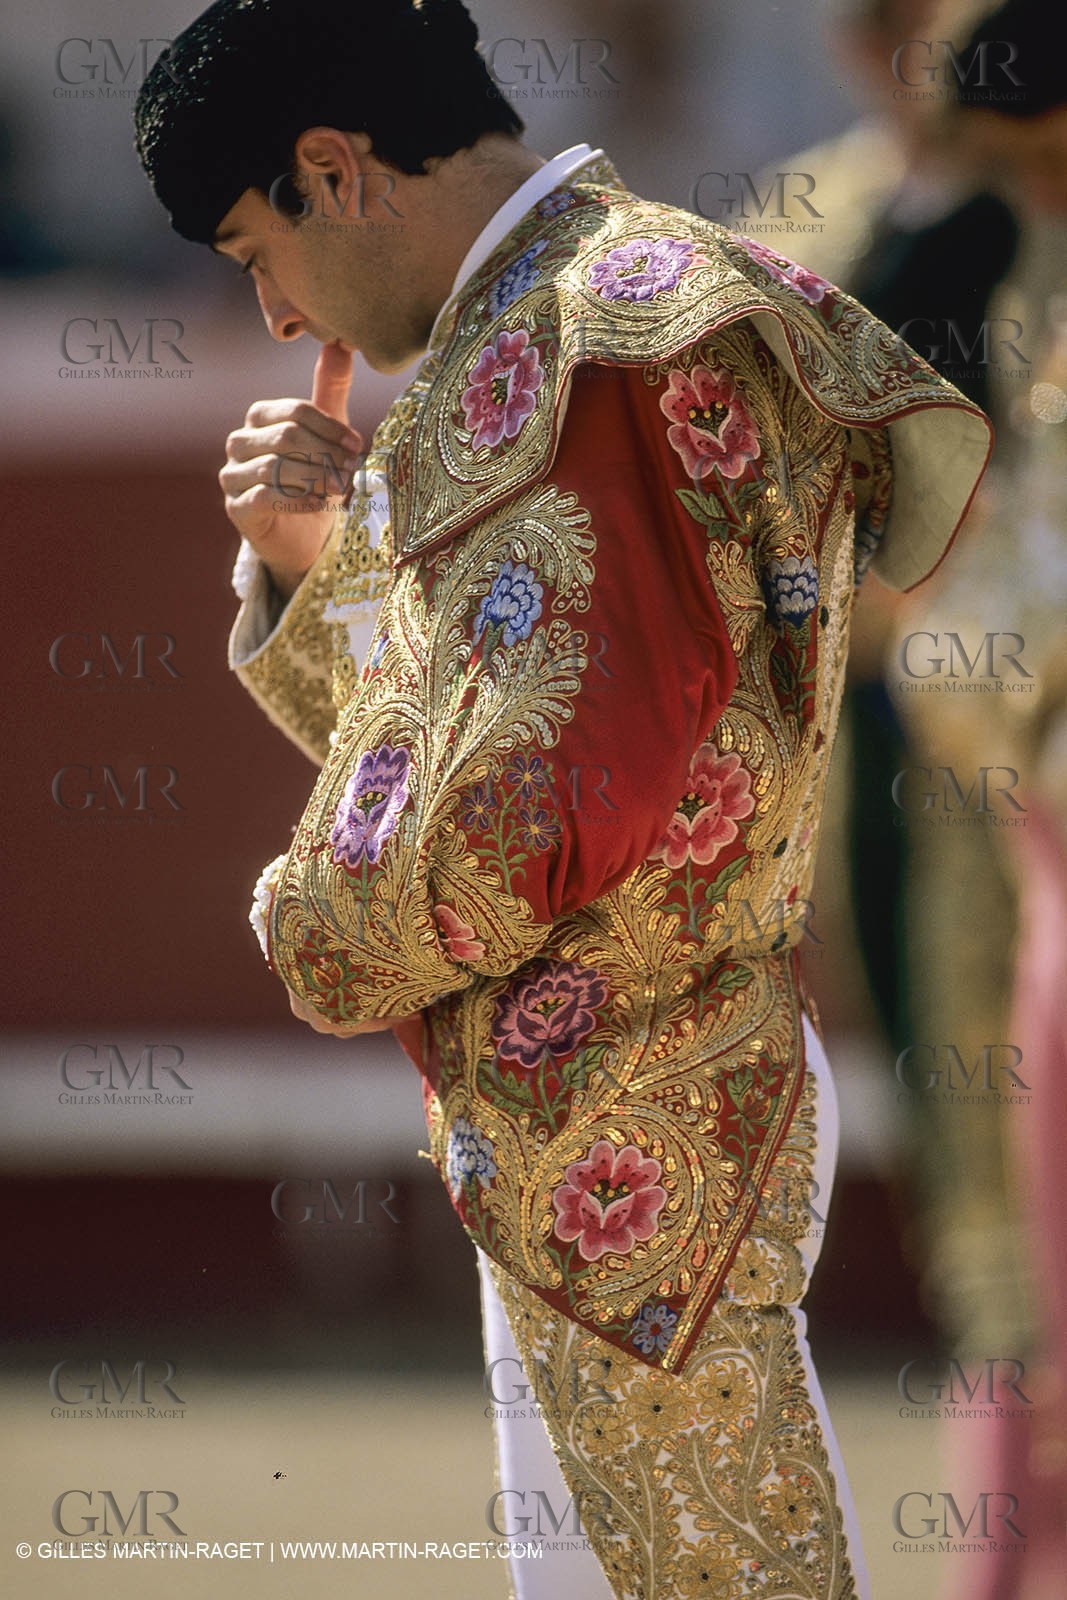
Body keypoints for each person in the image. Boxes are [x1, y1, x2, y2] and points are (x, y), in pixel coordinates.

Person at [134, 3, 991, 1595]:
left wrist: (312, 921)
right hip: (610, 1105)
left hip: (645, 1132)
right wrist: (306, 571)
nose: (270, 312)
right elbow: (501, 722)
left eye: (261, 250)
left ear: (339, 172)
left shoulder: (600, 336)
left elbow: (536, 792)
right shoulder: (556, 317)